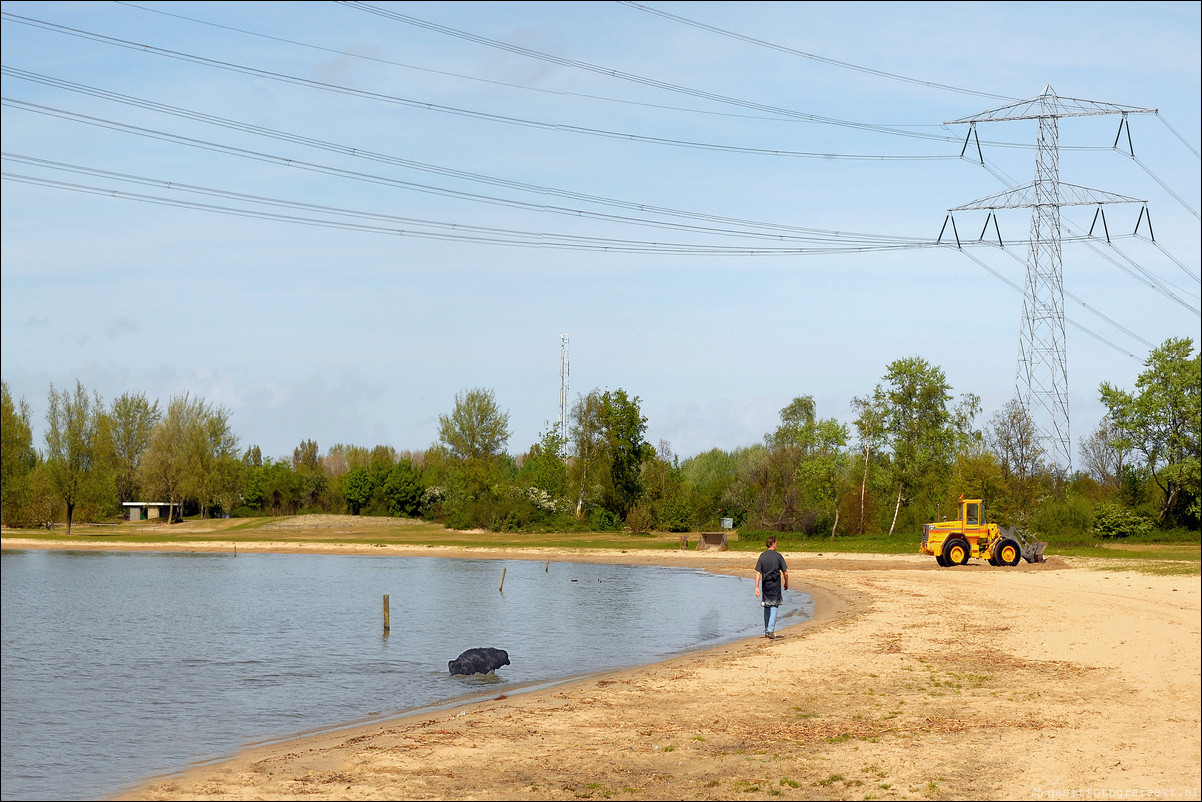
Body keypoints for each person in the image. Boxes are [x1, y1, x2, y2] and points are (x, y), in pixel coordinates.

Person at [754, 534, 789, 639]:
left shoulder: (762, 556)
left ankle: (766, 630)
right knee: (774, 606)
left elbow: (758, 573)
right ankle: (770, 630)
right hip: (775, 584)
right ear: (773, 544)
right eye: (776, 543)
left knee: (767, 606)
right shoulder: (778, 556)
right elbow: (785, 572)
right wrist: (786, 583)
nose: (777, 545)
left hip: (765, 584)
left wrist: (756, 587)